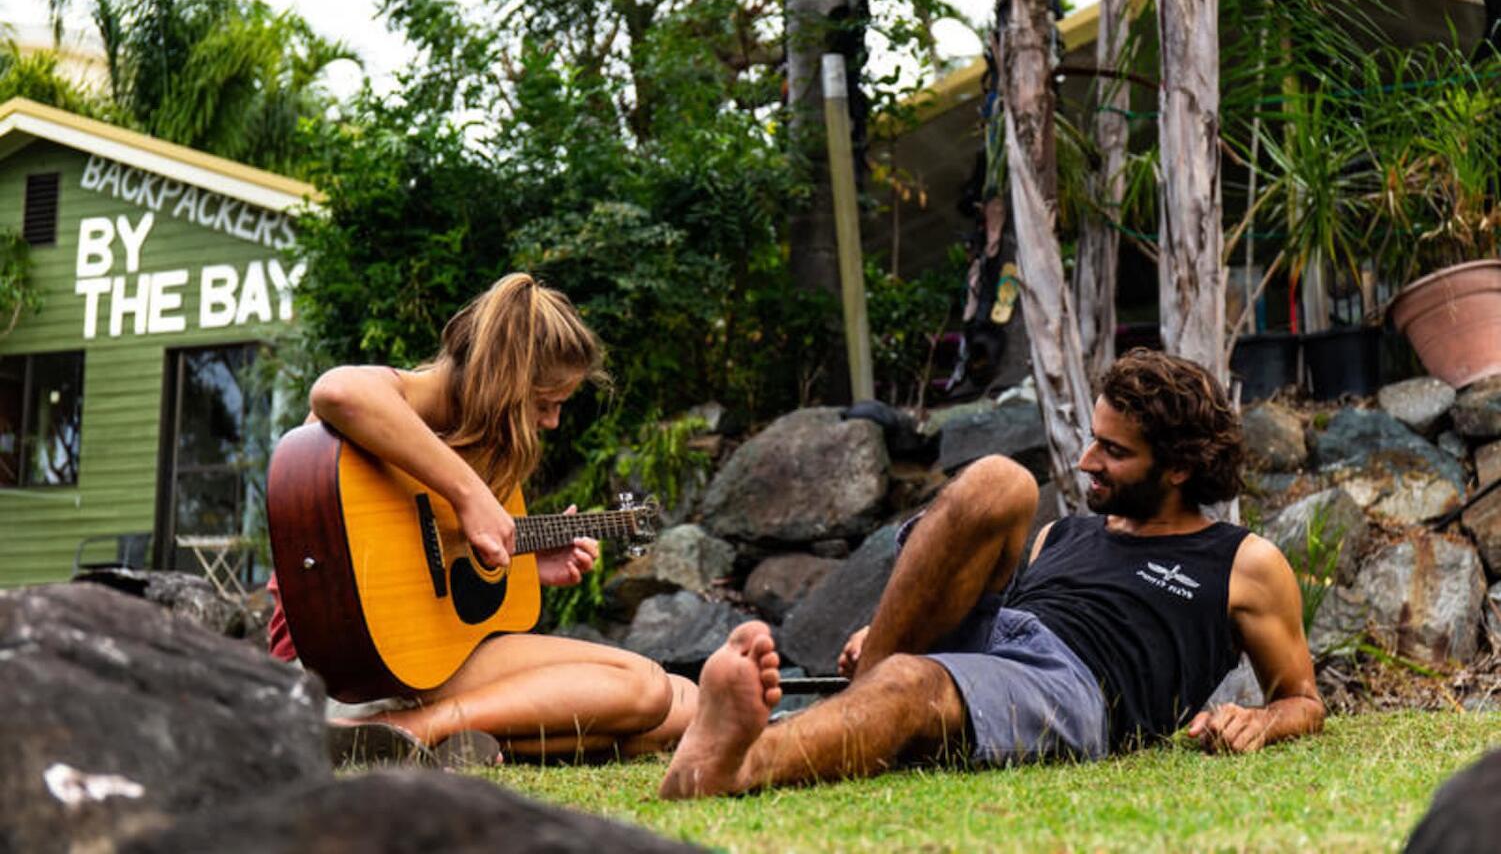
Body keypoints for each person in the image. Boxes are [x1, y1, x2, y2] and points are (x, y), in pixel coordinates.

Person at [660, 348, 1324, 798]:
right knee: (1001, 482)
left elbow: (1301, 698)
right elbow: (974, 606)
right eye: (1092, 438)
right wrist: (890, 626)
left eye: (1114, 451)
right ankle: (863, 682)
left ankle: (742, 764)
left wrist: (1261, 723)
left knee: (909, 684)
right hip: (997, 638)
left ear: (1178, 467)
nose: (1087, 460)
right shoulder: (1063, 533)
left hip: (1074, 683)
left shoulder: (1241, 561)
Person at [265, 273, 696, 764]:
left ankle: (448, 740)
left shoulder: (482, 454)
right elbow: (336, 391)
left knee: (686, 702)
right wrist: (471, 497)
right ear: (505, 381)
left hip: (424, 663)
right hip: (352, 672)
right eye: (544, 403)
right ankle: (399, 730)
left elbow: (437, 583)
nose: (551, 422)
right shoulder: (387, 404)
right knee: (644, 689)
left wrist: (527, 566)